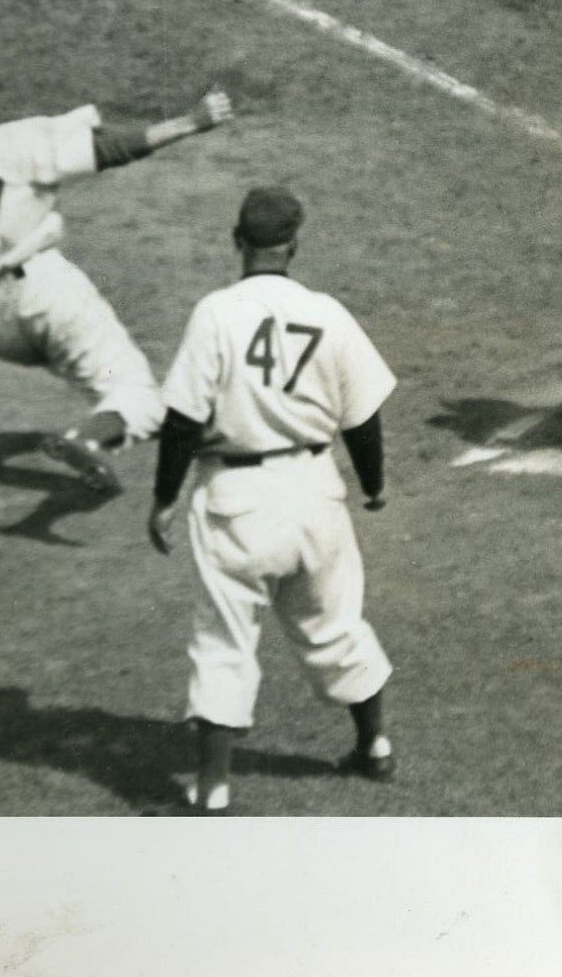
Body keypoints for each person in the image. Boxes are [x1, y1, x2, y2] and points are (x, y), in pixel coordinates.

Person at [147, 187, 397, 812]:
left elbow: (181, 419)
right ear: (294, 247)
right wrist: (373, 486)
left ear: (237, 242)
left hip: (236, 498)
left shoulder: (214, 313)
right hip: (315, 493)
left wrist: (163, 498)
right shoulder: (329, 313)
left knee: (225, 639)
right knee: (336, 625)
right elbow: (363, 419)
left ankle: (212, 786)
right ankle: (376, 748)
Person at [0, 68, 233, 493]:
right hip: (44, 293)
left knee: (102, 381)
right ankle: (89, 438)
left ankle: (146, 426)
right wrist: (191, 122)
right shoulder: (2, 145)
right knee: (137, 395)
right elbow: (107, 149)